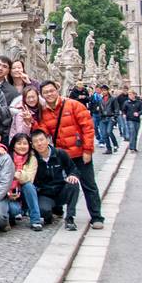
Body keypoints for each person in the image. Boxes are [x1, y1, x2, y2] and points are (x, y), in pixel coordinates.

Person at [35, 80, 104, 229]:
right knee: (60, 183)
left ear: (57, 89)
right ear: (42, 95)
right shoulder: (44, 112)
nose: (49, 94)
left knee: (89, 185)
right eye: (45, 92)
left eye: (51, 91)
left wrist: (87, 150)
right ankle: (59, 210)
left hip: (79, 153)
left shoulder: (73, 105)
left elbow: (88, 128)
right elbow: (43, 132)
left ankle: (96, 216)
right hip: (62, 155)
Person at [30, 129, 81, 231]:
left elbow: (73, 168)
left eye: (41, 140)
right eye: (36, 141)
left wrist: (72, 175)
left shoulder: (60, 153)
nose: (39, 143)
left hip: (61, 190)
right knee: (43, 212)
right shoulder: (32, 158)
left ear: (48, 140)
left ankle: (70, 218)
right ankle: (51, 212)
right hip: (45, 194)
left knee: (73, 184)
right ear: (32, 145)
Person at [6, 133, 43, 231]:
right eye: (19, 143)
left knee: (29, 186)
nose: (22, 146)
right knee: (13, 210)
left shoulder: (32, 159)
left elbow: (30, 178)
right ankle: (11, 216)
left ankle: (35, 220)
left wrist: (18, 173)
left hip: (23, 192)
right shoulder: (6, 157)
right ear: (13, 145)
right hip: (8, 192)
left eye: (25, 143)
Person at [99, 85, 120, 155]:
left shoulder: (113, 99)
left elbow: (117, 108)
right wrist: (100, 116)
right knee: (104, 134)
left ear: (108, 91)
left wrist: (115, 117)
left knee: (109, 132)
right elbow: (100, 109)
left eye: (104, 90)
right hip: (103, 118)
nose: (103, 92)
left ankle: (115, 145)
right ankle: (108, 149)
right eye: (102, 91)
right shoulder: (101, 100)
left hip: (111, 117)